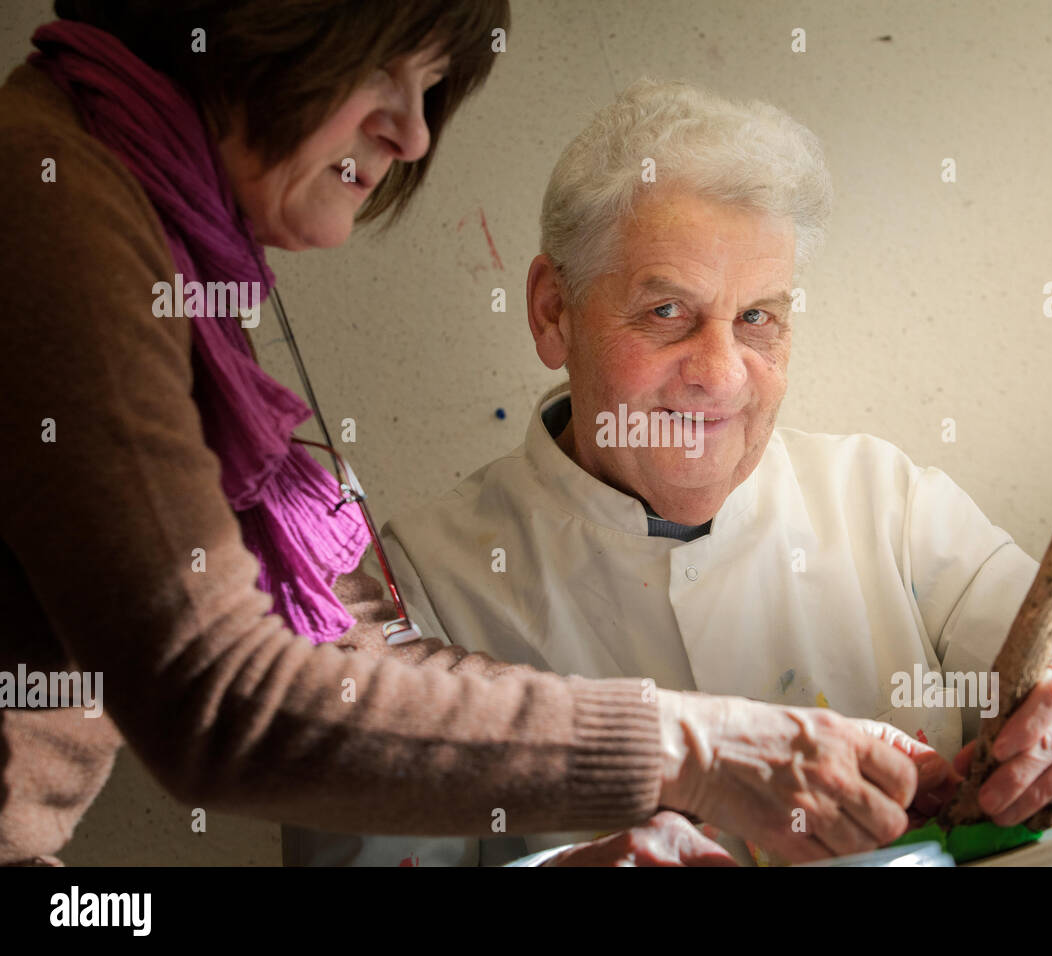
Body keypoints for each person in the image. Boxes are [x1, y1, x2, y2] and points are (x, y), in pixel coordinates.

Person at [0, 2, 937, 867]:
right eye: (383, 68)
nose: (411, 133)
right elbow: (223, 695)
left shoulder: (142, 213)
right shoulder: (54, 205)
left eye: (760, 318)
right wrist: (696, 747)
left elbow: (341, 656)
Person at [289, 79, 1052, 866]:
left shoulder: (885, 499)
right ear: (552, 312)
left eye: (758, 319)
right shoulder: (416, 582)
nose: (720, 373)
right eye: (666, 313)